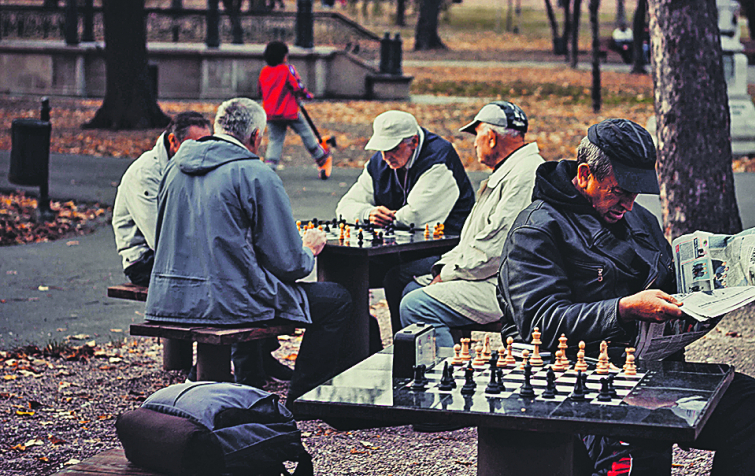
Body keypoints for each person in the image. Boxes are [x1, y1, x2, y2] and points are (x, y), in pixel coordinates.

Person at [497, 119, 755, 476]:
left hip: (649, 369)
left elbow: (671, 287)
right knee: (633, 454)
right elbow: (540, 321)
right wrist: (626, 309)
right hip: (577, 377)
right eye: (619, 191)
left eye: (636, 193)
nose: (629, 203)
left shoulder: (640, 219)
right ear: (585, 174)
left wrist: (714, 296)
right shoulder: (536, 229)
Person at [145, 98, 352, 405]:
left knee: (248, 280)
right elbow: (289, 264)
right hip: (228, 301)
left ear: (217, 129)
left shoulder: (175, 167)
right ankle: (304, 397)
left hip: (171, 297)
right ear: (256, 136)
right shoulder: (256, 174)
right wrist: (308, 249)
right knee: (337, 300)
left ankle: (251, 379)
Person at [396, 101, 544, 347]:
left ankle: (445, 376)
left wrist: (447, 274)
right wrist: (445, 270)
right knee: (408, 285)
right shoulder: (514, 169)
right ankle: (425, 365)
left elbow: (494, 252)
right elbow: (475, 243)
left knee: (416, 304)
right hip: (492, 276)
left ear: (491, 137)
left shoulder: (525, 174)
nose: (475, 143)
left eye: (477, 135)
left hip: (509, 286)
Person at [336, 110, 476, 345]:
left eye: (393, 148)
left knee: (397, 277)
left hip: (448, 250)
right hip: (403, 248)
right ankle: (363, 347)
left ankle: (408, 353)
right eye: (382, 148)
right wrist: (367, 213)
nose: (387, 156)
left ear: (414, 142)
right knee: (349, 271)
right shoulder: (379, 163)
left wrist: (380, 218)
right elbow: (344, 207)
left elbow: (416, 218)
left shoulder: (439, 158)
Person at [112, 112, 211, 287]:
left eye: (207, 145)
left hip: (179, 251)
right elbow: (159, 239)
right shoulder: (145, 173)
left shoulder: (189, 164)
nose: (203, 153)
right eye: (195, 146)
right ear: (173, 141)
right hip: (144, 260)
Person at [258, 41, 332, 179]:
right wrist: (307, 95)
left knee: (275, 139)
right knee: (305, 132)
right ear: (284, 56)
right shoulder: (287, 69)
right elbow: (297, 85)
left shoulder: (264, 71)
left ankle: (270, 166)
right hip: (289, 111)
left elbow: (260, 90)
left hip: (271, 113)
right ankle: (320, 156)